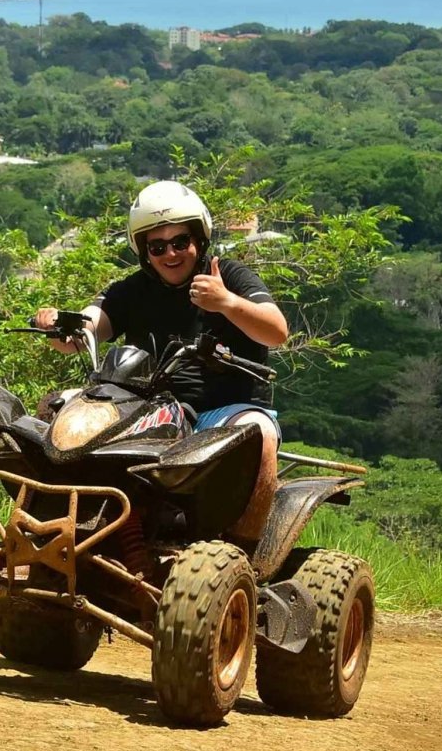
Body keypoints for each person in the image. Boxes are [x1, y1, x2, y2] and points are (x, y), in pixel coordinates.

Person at [34, 180, 288, 543]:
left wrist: (226, 303)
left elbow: (277, 331)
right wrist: (60, 323)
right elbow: (89, 327)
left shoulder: (228, 276)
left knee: (258, 434)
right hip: (149, 406)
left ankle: (243, 550)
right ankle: (52, 527)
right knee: (58, 408)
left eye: (180, 242)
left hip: (224, 409)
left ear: (199, 239)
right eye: (158, 246)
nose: (171, 253)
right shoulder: (133, 289)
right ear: (145, 251)